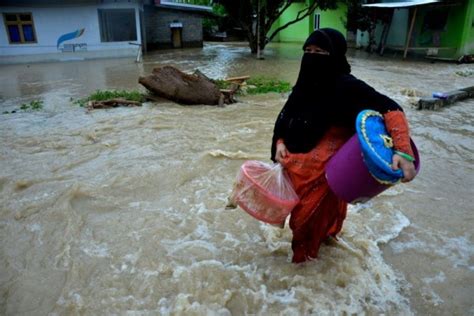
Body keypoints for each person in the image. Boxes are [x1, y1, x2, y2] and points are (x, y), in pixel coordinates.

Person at [270, 28, 416, 263]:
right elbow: (286, 116)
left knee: (306, 226)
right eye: (307, 51)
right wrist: (279, 142)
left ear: (336, 55)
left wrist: (403, 150)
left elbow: (390, 108)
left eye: (320, 51)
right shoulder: (304, 84)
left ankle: (305, 278)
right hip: (297, 168)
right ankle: (320, 262)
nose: (311, 56)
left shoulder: (347, 86)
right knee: (307, 219)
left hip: (328, 173)